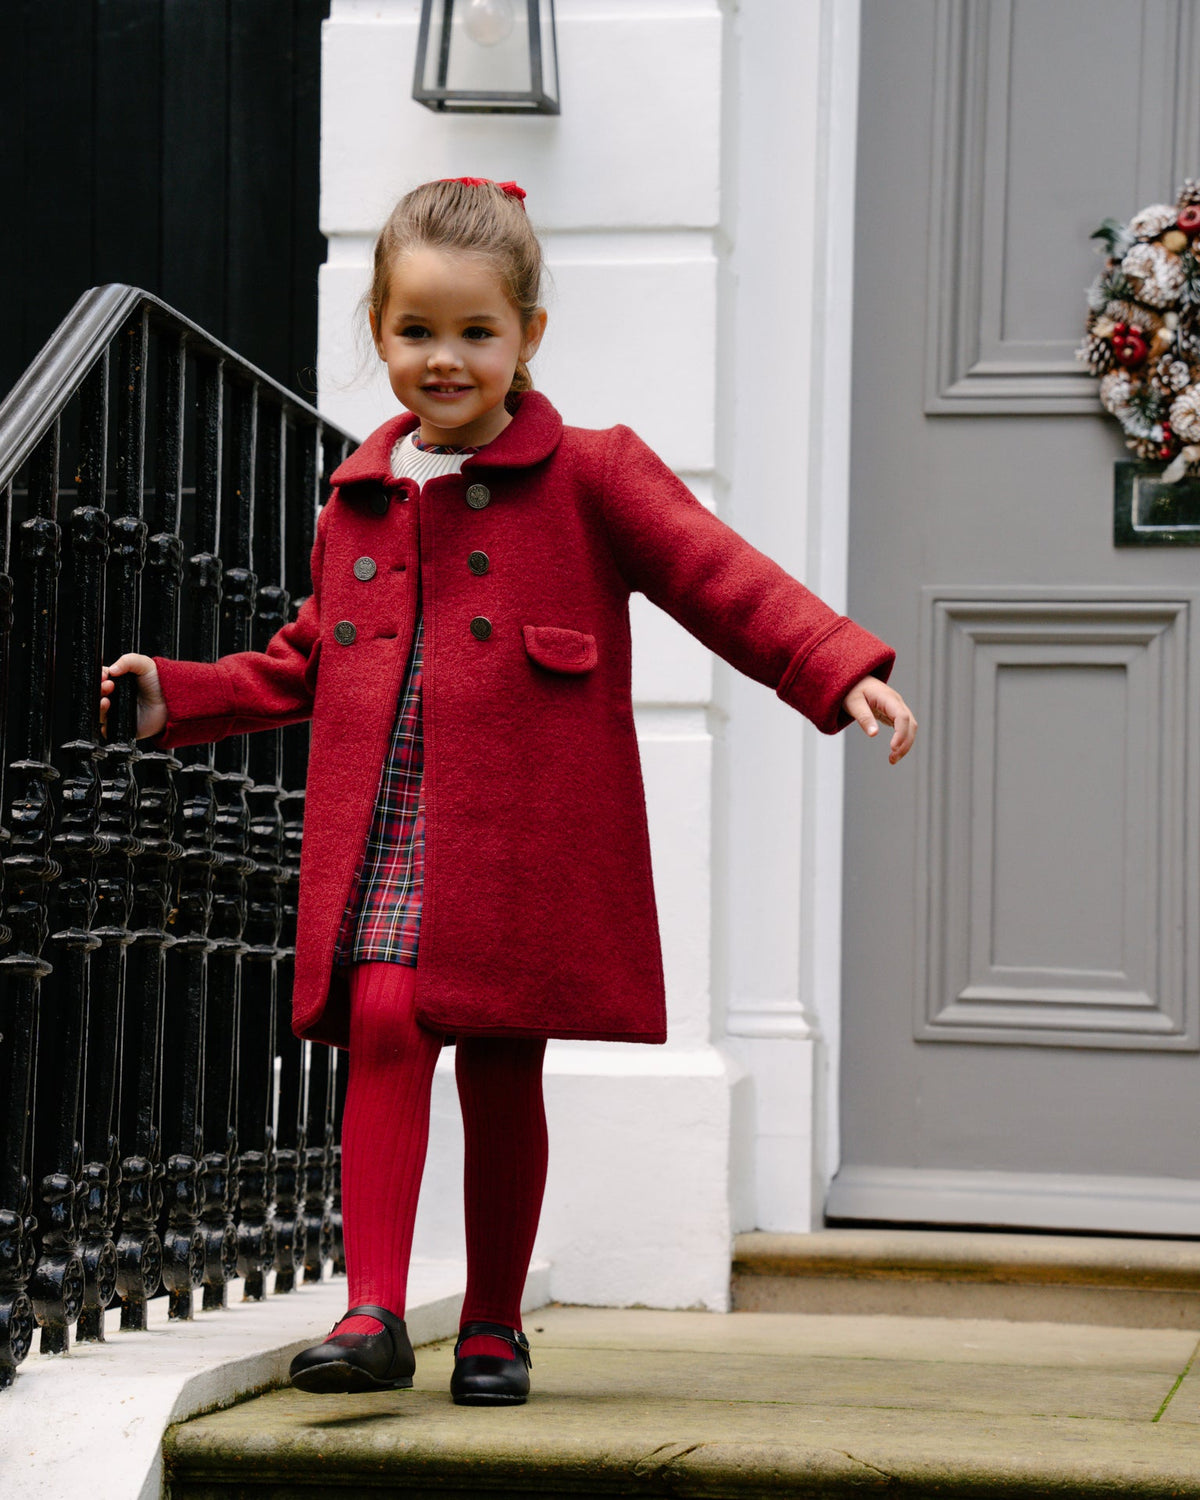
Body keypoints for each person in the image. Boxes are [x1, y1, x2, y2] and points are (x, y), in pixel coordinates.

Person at [100, 177, 916, 1407]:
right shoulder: (357, 502)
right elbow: (310, 658)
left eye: (476, 333)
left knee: (497, 1064)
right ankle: (373, 1308)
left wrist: (833, 663)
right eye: (417, 331)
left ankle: (491, 1322)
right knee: (379, 1023)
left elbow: (719, 576)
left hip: (517, 835)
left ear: (529, 336)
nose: (445, 359)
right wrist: (184, 694)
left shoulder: (595, 475)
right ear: (379, 331)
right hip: (390, 822)